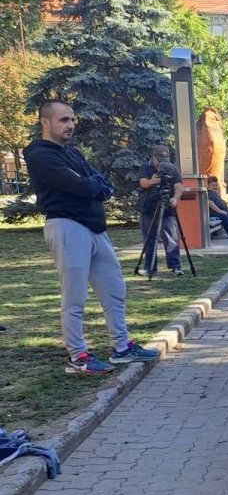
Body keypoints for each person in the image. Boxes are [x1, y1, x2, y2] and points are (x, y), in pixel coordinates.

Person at [25, 100, 160, 374]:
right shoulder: (40, 154)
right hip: (66, 227)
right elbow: (79, 184)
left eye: (72, 119)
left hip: (95, 229)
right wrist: (91, 185)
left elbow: (96, 180)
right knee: (75, 296)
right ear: (46, 123)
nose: (71, 125)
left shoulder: (72, 153)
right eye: (64, 120)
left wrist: (92, 185)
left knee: (114, 289)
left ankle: (121, 348)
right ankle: (78, 356)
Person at [137, 145, 184, 276]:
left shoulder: (172, 168)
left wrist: (175, 198)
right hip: (148, 207)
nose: (162, 161)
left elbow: (179, 185)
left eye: (165, 158)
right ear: (154, 157)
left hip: (167, 206)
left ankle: (176, 266)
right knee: (149, 238)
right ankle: (150, 268)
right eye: (160, 158)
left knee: (171, 237)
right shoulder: (146, 167)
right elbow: (142, 182)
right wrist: (152, 181)